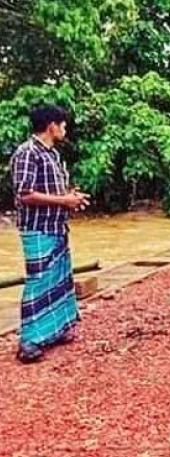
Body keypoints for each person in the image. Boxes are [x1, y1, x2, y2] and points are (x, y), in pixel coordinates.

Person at [10, 105, 90, 363]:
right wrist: (63, 201)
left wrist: (71, 198)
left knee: (58, 278)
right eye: (63, 125)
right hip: (37, 227)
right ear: (51, 126)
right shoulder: (27, 153)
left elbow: (56, 191)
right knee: (39, 281)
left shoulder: (52, 154)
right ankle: (29, 340)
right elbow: (25, 194)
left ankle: (54, 330)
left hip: (57, 225)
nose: (64, 129)